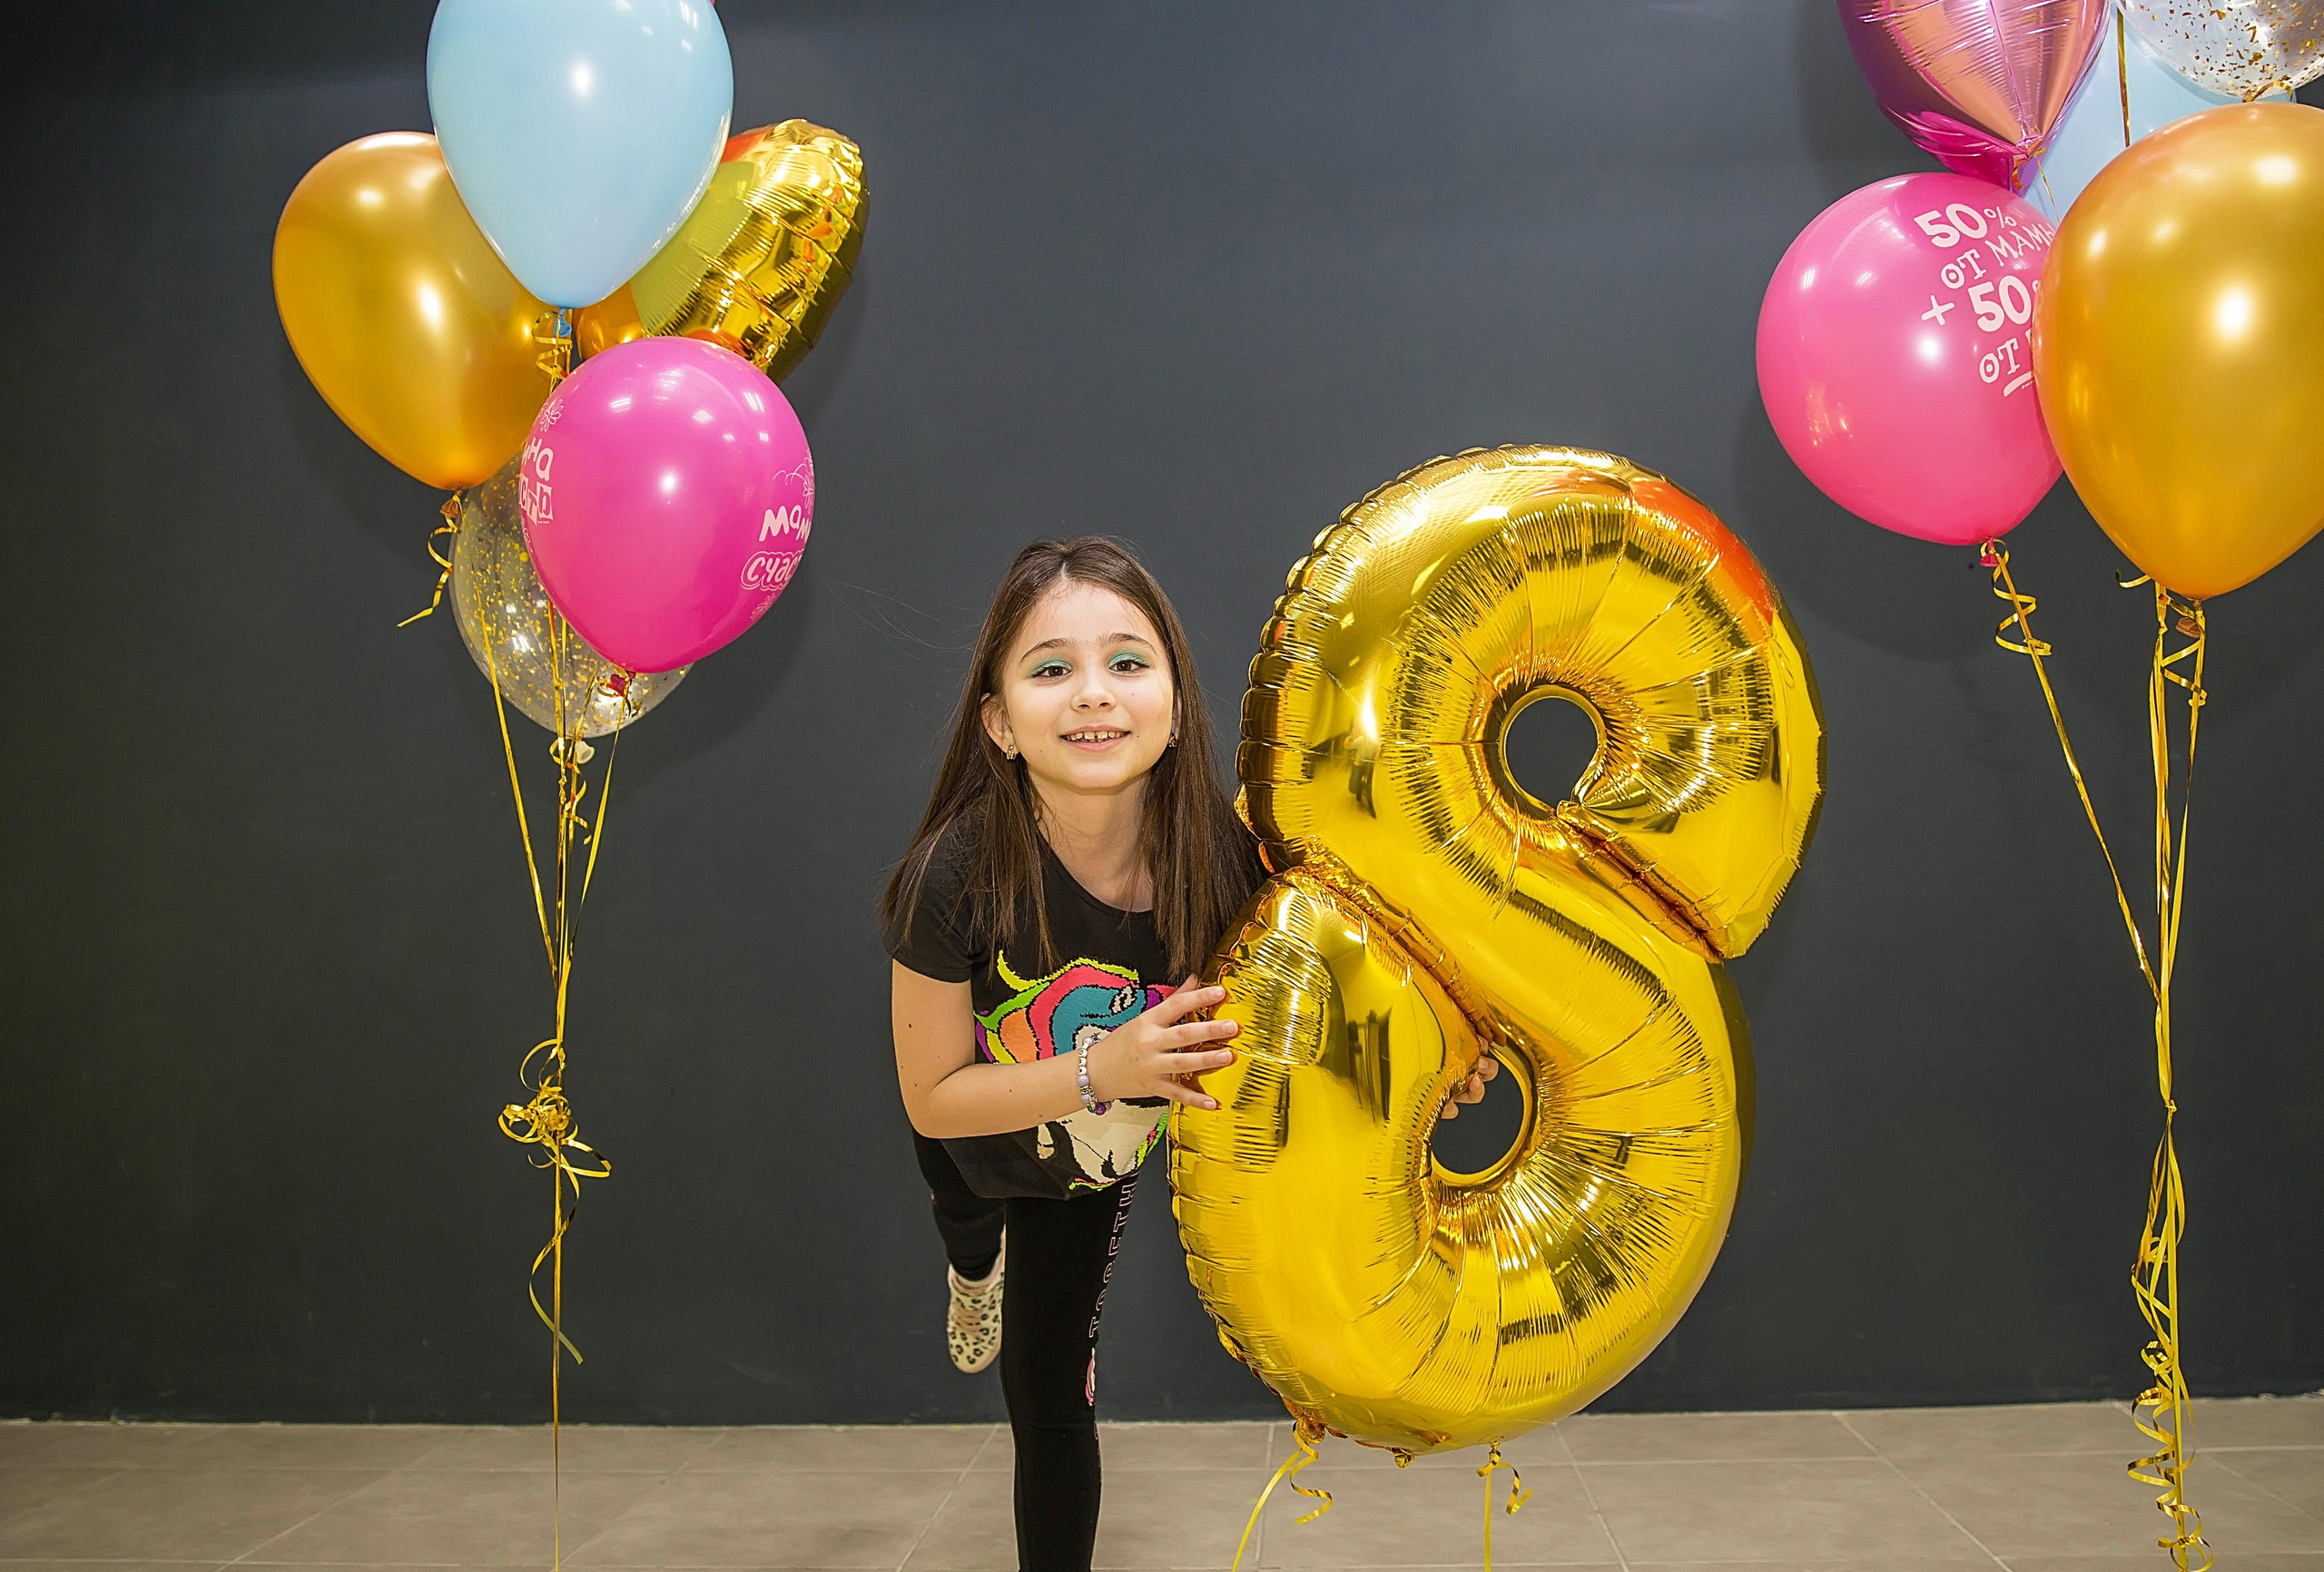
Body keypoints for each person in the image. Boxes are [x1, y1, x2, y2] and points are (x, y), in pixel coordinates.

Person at [881, 536, 1491, 1572]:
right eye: (1048, 668)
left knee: (1045, 1389)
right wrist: (1096, 1071)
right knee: (963, 1205)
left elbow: (1336, 1013)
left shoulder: (1228, 862)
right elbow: (935, 1098)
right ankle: (970, 1263)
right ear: (998, 721)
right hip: (983, 1128)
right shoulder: (953, 874)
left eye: (1127, 661)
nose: (1092, 696)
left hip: (1090, 1162)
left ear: (1172, 703)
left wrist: (1436, 1064)